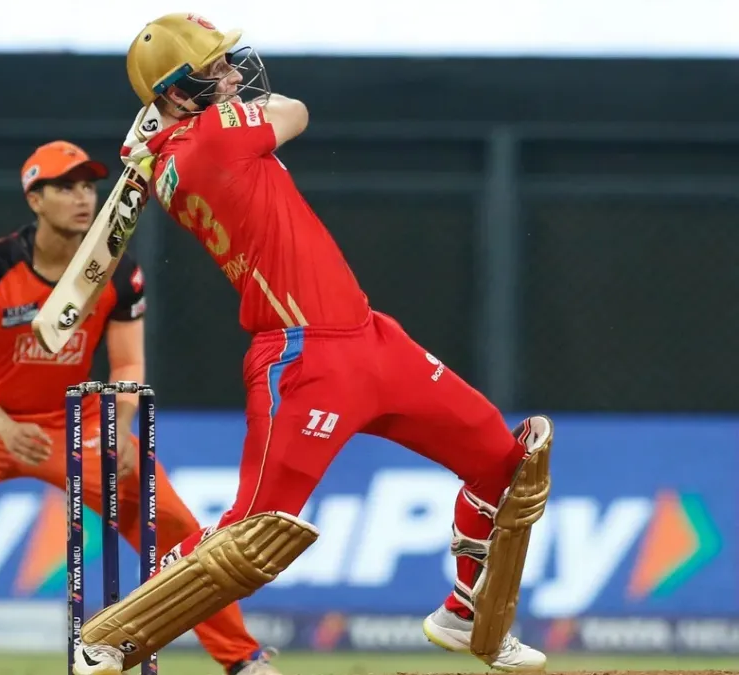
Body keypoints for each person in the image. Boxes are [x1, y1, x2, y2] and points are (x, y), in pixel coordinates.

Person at [71, 13, 553, 675]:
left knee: (506, 467)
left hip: (372, 339)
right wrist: (176, 127)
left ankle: (466, 610)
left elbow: (187, 146)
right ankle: (112, 636)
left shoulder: (168, 163)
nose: (234, 74)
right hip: (304, 357)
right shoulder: (213, 135)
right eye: (216, 69)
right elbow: (296, 111)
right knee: (253, 533)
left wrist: (157, 133)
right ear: (179, 93)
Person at [0, 140, 278, 675]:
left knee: (171, 521)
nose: (83, 197)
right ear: (35, 199)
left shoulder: (118, 271)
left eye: (88, 186)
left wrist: (120, 429)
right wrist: (3, 427)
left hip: (72, 424)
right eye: (65, 187)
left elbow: (127, 364)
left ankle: (243, 659)